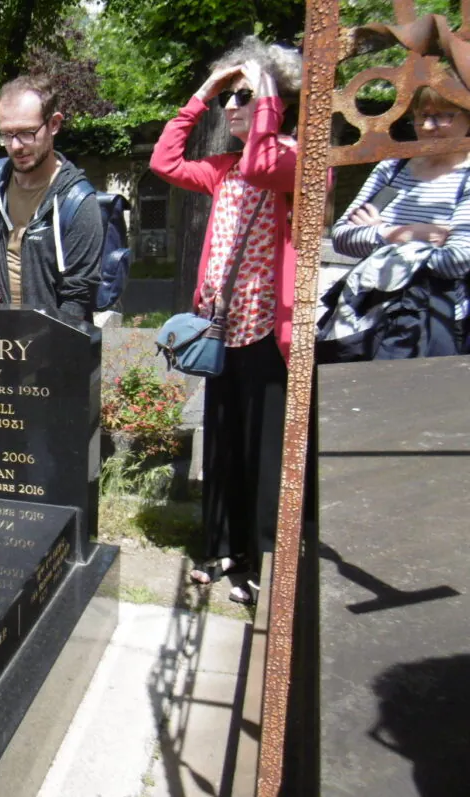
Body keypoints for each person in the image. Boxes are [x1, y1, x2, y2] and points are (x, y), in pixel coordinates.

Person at [150, 37, 302, 605]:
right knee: (223, 446)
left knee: (263, 451)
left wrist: (264, 90)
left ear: (275, 99)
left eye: (241, 96)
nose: (230, 107)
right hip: (221, 329)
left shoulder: (294, 160)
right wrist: (202, 93)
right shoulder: (223, 168)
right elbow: (163, 161)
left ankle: (264, 560)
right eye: (227, 98)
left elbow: (266, 163)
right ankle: (221, 550)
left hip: (267, 332)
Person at [329, 72, 470, 357]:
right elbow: (342, 236)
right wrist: (402, 233)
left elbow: (457, 259)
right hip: (371, 319)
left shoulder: (467, 176)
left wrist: (378, 232)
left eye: (444, 115)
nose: (429, 126)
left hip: (437, 325)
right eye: (421, 116)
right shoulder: (393, 169)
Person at [0, 74, 102, 325]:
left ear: (54, 124)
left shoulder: (78, 201)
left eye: (27, 133)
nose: (15, 146)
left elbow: (77, 300)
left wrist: (36, 352)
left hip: (52, 342)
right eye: (7, 134)